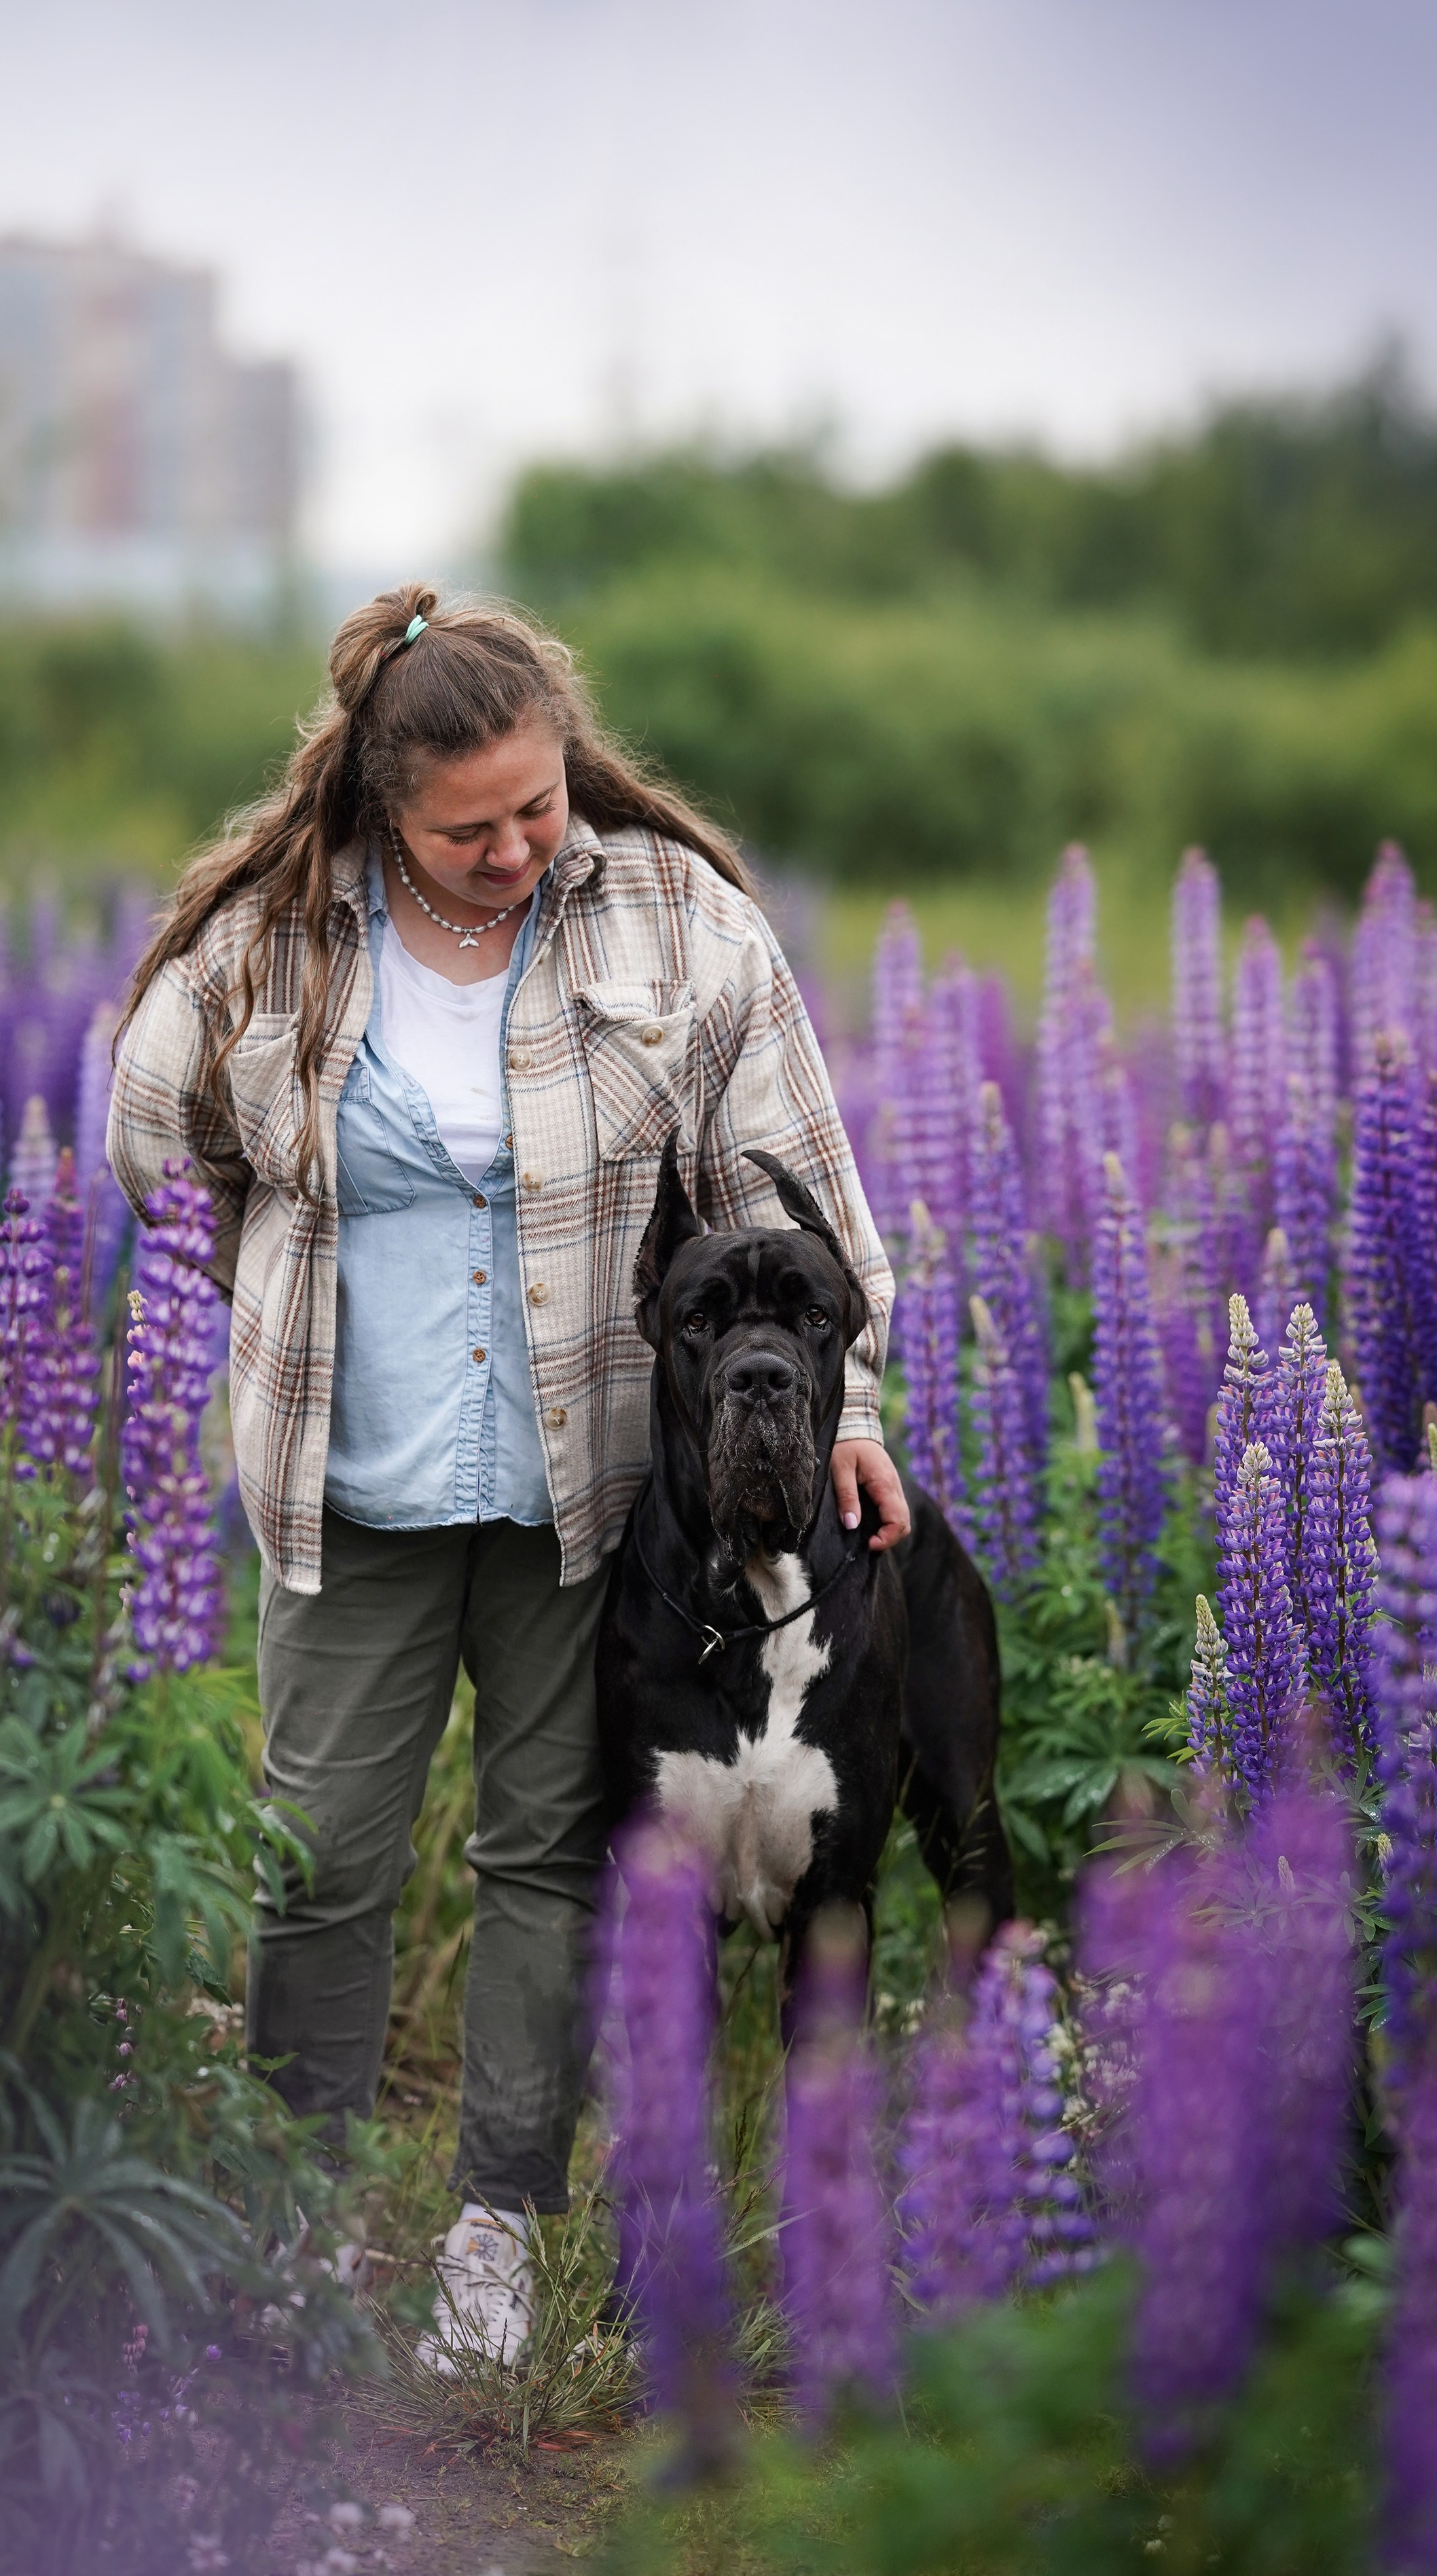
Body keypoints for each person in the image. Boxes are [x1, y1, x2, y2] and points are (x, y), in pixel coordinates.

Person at [109, 585, 904, 2369]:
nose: (515, 848)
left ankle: (498, 2221)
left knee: (547, 1850)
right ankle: (303, 2212)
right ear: (383, 800)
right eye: (468, 828)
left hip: (591, 1483)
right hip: (351, 1476)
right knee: (320, 1854)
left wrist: (851, 1413)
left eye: (537, 806)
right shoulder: (278, 933)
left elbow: (801, 1194)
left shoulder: (676, 919)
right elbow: (150, 1134)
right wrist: (271, 1266)